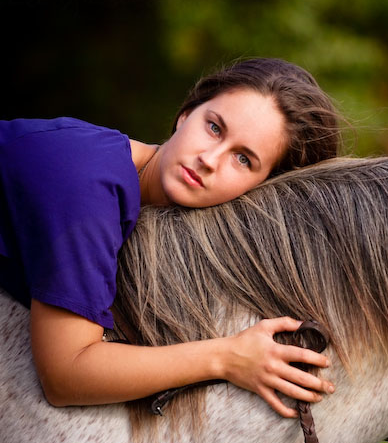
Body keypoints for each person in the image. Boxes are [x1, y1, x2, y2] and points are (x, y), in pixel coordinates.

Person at [0, 58, 340, 418]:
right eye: (213, 127)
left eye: (242, 159)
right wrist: (227, 358)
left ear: (262, 190)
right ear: (185, 115)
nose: (209, 159)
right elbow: (66, 375)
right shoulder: (90, 188)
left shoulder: (126, 187)